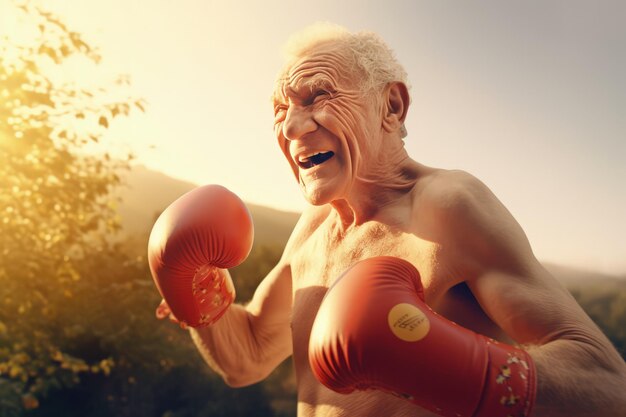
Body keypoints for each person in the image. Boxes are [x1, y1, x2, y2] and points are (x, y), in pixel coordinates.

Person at [149, 23, 626, 417]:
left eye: (317, 97)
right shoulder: (314, 227)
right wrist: (191, 285)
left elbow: (607, 387)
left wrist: (462, 370)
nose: (293, 127)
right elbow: (247, 357)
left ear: (391, 106)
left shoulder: (446, 206)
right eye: (281, 109)